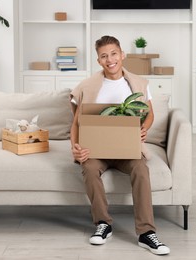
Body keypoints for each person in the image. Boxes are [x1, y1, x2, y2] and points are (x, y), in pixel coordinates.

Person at [70, 35, 170, 255]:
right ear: (98, 61)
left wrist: (145, 128)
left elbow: (149, 114)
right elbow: (77, 123)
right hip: (97, 150)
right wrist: (75, 147)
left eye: (114, 54)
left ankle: (146, 232)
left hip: (128, 149)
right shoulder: (88, 86)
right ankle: (103, 224)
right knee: (88, 167)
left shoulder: (138, 83)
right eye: (104, 56)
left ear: (122, 55)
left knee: (141, 169)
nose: (110, 59)